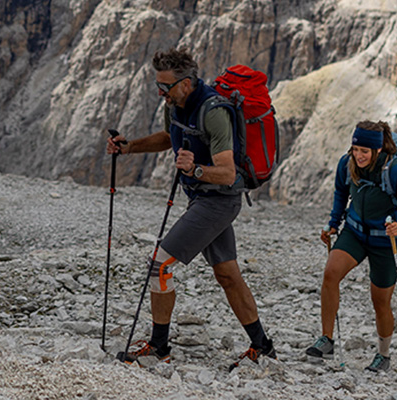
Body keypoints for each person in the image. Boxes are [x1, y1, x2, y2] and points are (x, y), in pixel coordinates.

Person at [105, 48, 275, 368]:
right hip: (201, 198)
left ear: (185, 83)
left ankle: (159, 346)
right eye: (158, 85)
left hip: (219, 200)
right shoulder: (177, 104)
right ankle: (262, 346)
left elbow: (227, 172)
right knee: (227, 274)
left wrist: (195, 170)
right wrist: (130, 148)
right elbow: (170, 137)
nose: (160, 92)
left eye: (165, 86)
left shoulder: (213, 112)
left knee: (159, 266)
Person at [304, 121, 397, 372]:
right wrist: (333, 224)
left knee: (380, 301)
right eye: (355, 148)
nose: (358, 155)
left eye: (364, 151)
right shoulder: (346, 164)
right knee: (330, 273)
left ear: (377, 150)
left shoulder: (396, 171)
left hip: (385, 240)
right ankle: (327, 339)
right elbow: (341, 192)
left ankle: (384, 355)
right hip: (355, 232)